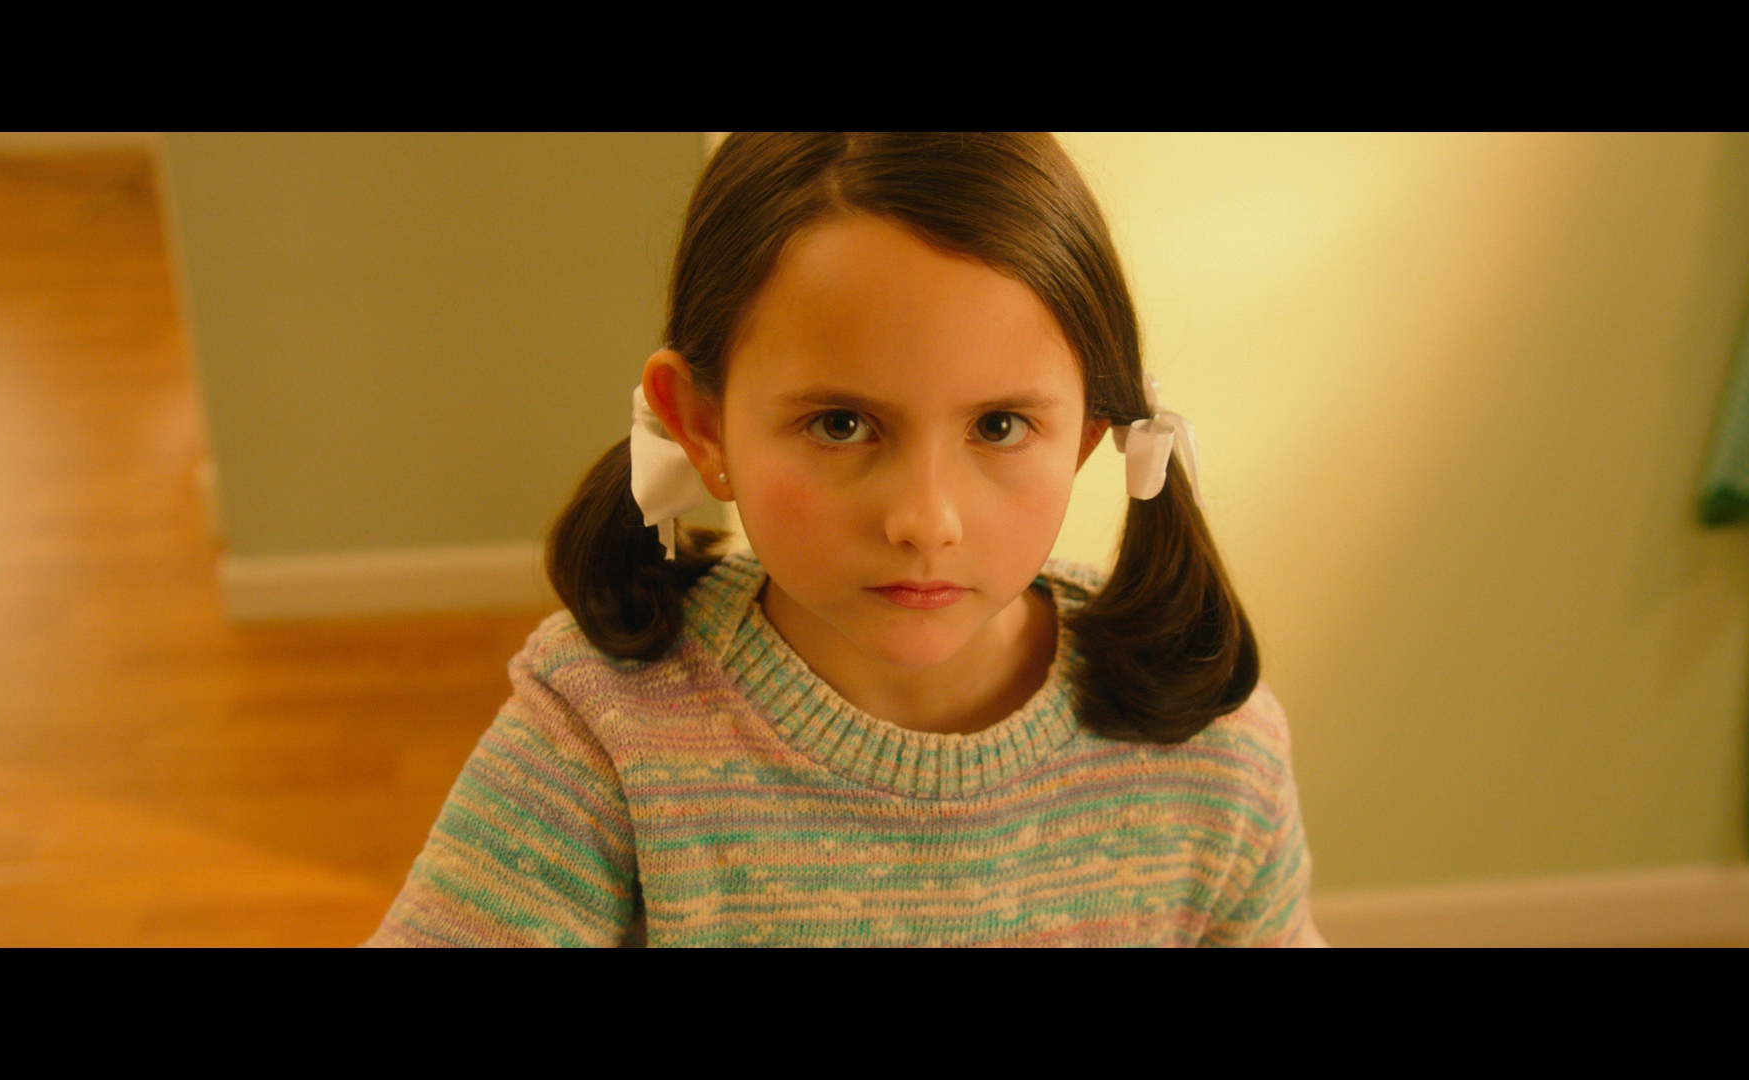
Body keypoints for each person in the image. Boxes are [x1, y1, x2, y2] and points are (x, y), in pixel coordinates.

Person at [367, 133, 1324, 947]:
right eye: (841, 425)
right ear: (702, 424)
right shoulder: (601, 737)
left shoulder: (1215, 751)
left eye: (998, 427)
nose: (925, 521)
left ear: (1088, 433)